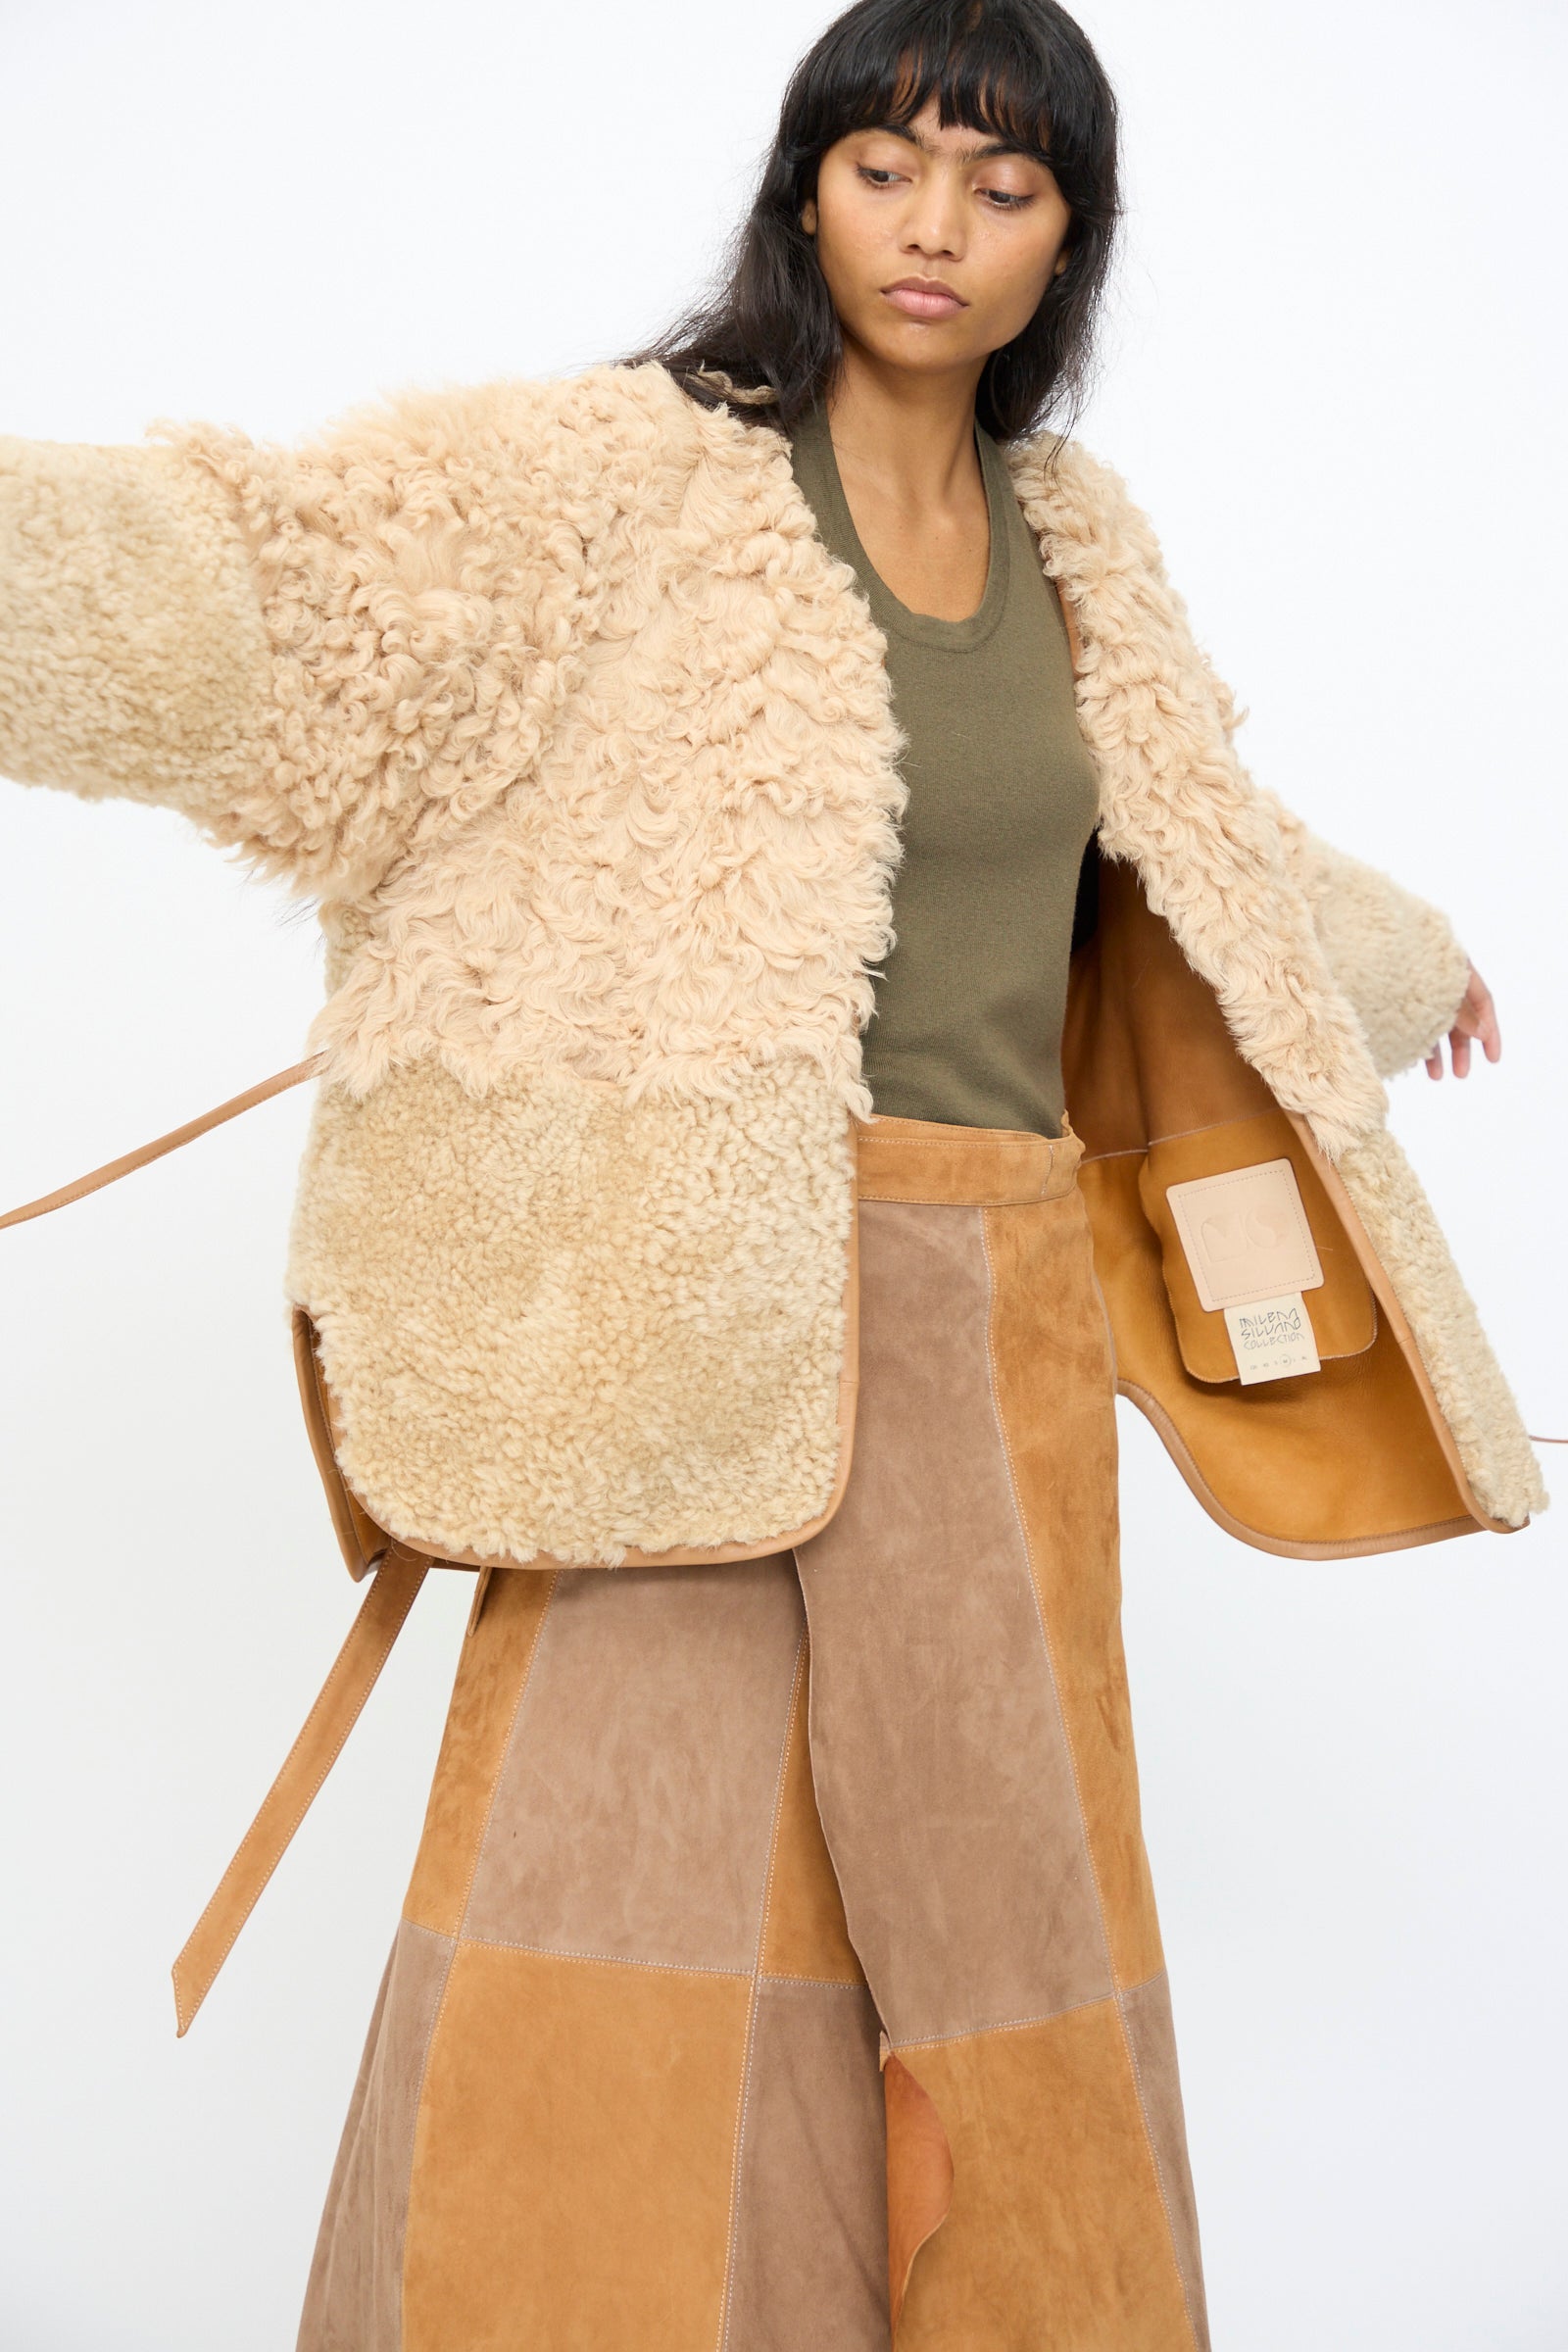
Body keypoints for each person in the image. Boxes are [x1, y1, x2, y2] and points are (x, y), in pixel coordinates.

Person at [0, 2, 1543, 2346]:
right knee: (606, 1932)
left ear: (1064, 243)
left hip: (993, 1339)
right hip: (680, 1312)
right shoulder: (620, 492)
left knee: (998, 1959)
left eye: (1000, 186)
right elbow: (288, 592)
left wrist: (1396, 955)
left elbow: (1181, 835)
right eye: (882, 164)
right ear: (802, 188)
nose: (933, 227)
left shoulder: (1076, 543)